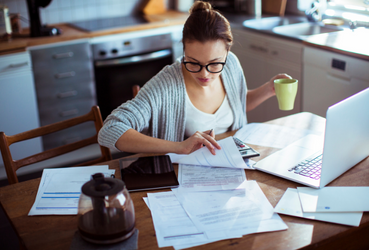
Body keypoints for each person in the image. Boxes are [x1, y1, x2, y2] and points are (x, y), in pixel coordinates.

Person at [98, 0, 291, 156]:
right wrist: (179, 147)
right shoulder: (166, 85)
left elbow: (238, 102)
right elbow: (110, 130)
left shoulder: (231, 64)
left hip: (232, 165)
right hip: (183, 180)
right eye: (193, 62)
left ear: (227, 52)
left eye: (215, 63)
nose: (204, 74)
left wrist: (268, 89)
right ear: (183, 50)